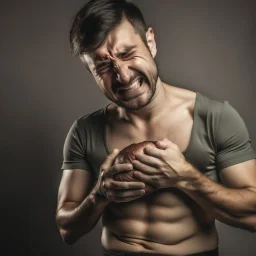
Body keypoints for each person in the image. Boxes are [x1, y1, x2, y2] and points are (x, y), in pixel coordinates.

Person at [55, 0, 256, 255]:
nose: (123, 76)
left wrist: (186, 177)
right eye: (103, 67)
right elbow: (67, 230)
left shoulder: (214, 117)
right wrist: (99, 194)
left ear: (150, 41)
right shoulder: (85, 131)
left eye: (127, 53)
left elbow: (252, 216)